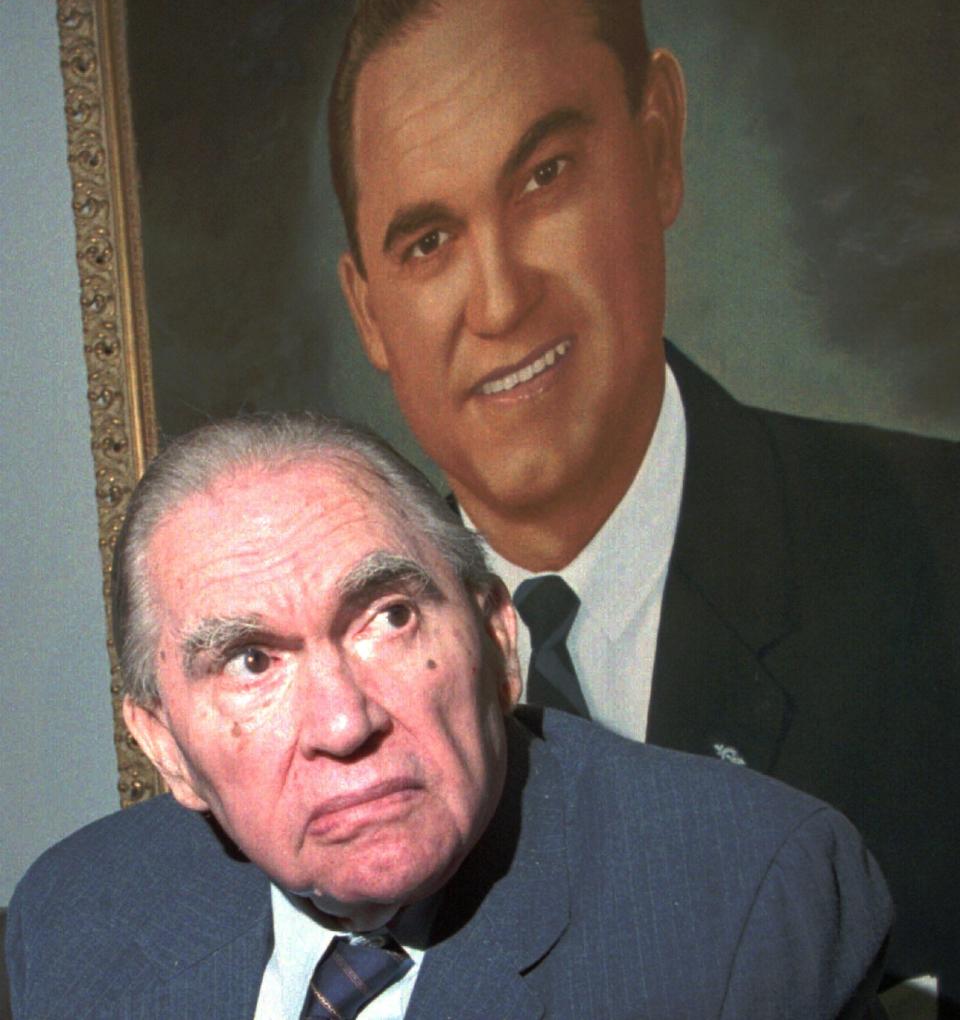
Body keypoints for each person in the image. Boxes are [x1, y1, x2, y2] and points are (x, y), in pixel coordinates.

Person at [329, 0, 960, 1014]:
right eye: (427, 243)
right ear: (370, 310)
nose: (501, 299)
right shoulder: (327, 715)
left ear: (659, 142)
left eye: (545, 174)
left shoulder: (939, 560)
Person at [7, 414, 892, 1018]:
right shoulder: (74, 916)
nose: (344, 723)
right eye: (252, 662)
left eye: (388, 617)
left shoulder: (747, 904)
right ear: (166, 747)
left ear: (500, 640)